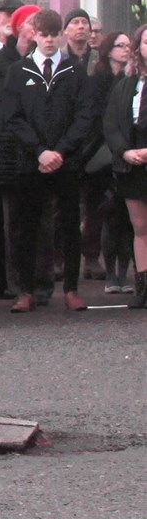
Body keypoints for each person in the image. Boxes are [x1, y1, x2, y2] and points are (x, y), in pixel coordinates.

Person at [0, 8, 98, 313]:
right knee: (27, 226)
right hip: (31, 161)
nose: (50, 41)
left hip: (67, 161)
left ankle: (71, 288)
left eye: (54, 35)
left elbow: (85, 116)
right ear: (34, 35)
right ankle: (25, 290)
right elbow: (11, 118)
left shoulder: (74, 71)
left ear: (60, 35)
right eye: (44, 34)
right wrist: (39, 151)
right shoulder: (18, 72)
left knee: (68, 224)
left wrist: (61, 151)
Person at [0, 3, 40, 300]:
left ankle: (37, 281)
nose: (36, 27)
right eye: (30, 22)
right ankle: (2, 280)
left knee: (37, 220)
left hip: (39, 151)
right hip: (4, 149)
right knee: (4, 219)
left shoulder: (46, 61)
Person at [104, 26, 147, 308]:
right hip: (133, 163)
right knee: (140, 227)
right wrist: (125, 151)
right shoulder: (126, 83)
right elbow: (112, 123)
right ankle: (143, 286)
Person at [92, 30, 136, 292]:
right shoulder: (99, 80)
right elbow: (102, 120)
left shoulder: (133, 80)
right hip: (104, 158)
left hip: (131, 155)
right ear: (109, 50)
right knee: (110, 216)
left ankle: (125, 274)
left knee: (130, 220)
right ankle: (111, 276)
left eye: (129, 45)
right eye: (120, 45)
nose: (126, 50)